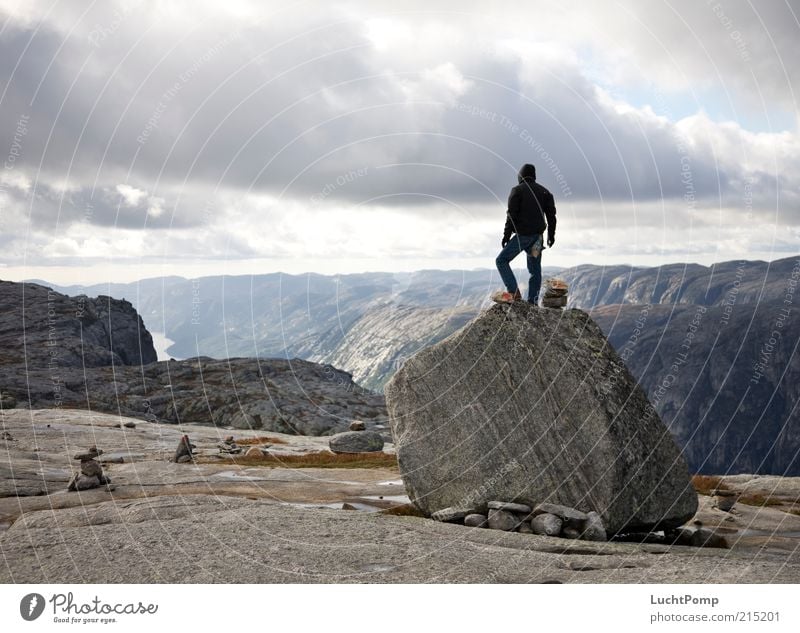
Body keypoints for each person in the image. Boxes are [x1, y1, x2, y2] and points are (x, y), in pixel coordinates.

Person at [493, 163, 557, 304]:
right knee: (535, 270)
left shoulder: (517, 190)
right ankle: (532, 302)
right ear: (534, 176)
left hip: (523, 237)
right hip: (537, 239)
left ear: (520, 176)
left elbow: (511, 216)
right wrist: (551, 236)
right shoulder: (545, 192)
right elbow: (551, 217)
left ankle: (514, 294)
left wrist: (506, 235)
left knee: (501, 261)